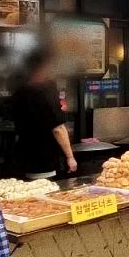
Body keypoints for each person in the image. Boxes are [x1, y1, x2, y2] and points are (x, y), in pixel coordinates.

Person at [11, 48, 77, 179]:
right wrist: (70, 157)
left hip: (24, 157)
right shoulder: (45, 89)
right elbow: (58, 128)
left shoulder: (20, 90)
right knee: (47, 189)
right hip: (45, 158)